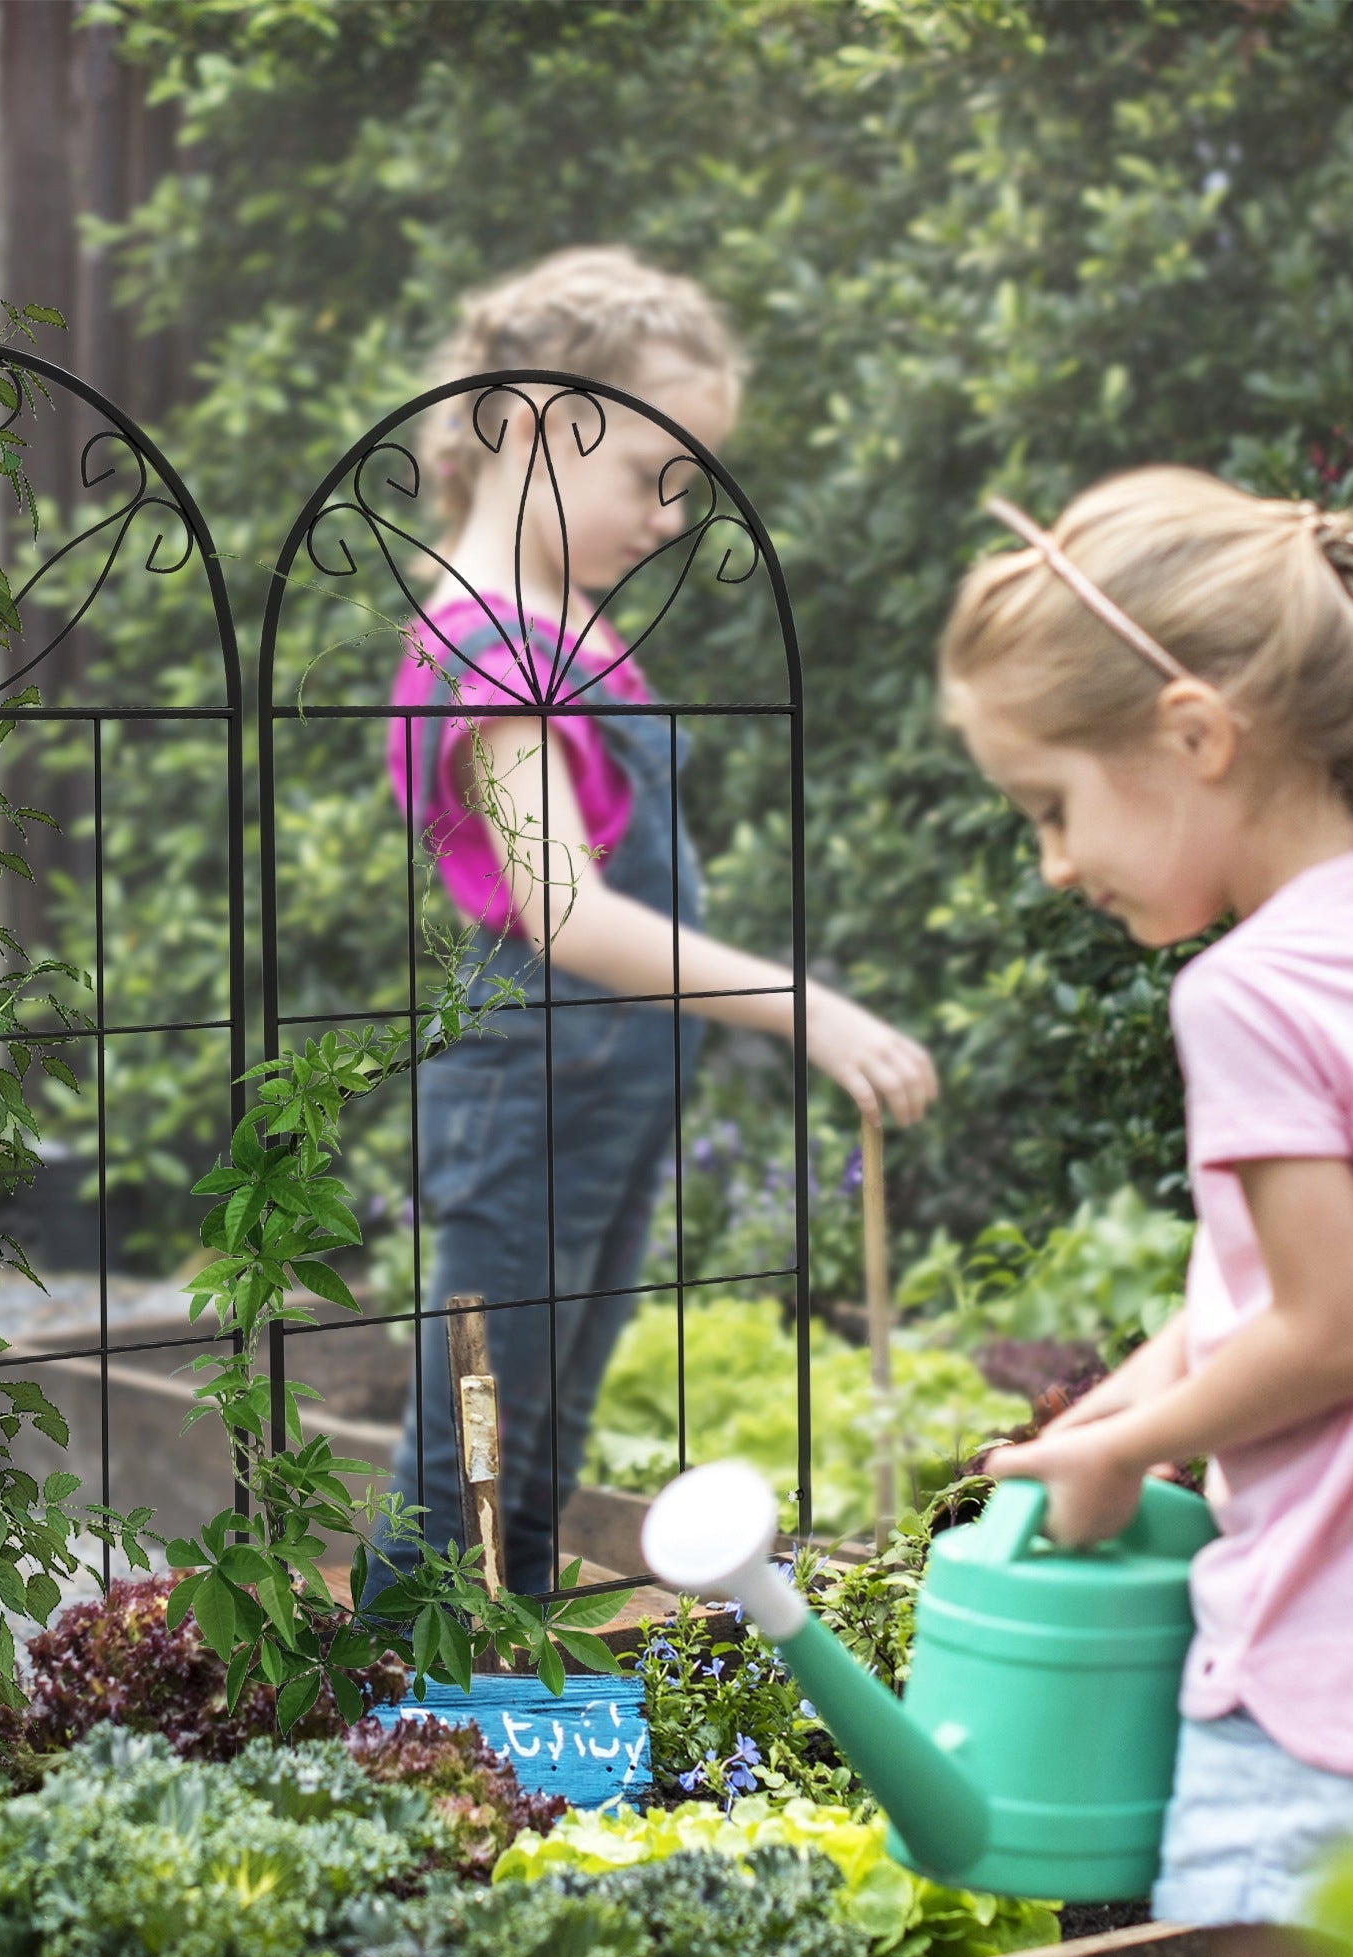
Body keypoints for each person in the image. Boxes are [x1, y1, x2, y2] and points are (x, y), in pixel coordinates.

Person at [364, 246, 936, 1601]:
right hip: (529, 1094)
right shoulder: (488, 644)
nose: (675, 517)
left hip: (602, 1091)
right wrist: (805, 1004)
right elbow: (565, 910)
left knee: (542, 1433)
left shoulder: (562, 621)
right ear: (537, 427)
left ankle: (492, 1720)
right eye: (652, 475)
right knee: (473, 1445)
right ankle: (378, 1718)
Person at [943, 467, 1353, 1930]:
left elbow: (1344, 1329)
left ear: (1194, 737)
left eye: (1054, 804)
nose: (1054, 861)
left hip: (1323, 1706)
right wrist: (1122, 1399)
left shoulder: (1249, 994)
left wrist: (1125, 1449)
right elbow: (1290, 1283)